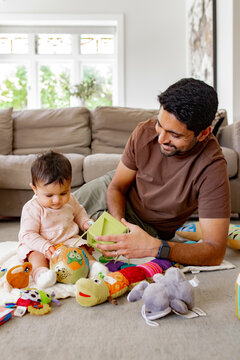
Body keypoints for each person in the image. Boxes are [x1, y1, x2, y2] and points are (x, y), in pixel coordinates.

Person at [74, 78, 230, 266]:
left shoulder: (211, 168)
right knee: (46, 215)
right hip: (110, 193)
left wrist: (155, 247)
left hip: (149, 229)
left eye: (175, 134)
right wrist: (119, 226)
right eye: (160, 125)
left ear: (203, 133)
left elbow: (215, 251)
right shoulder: (145, 131)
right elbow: (116, 186)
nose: (161, 138)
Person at [17, 151, 106, 289]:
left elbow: (79, 213)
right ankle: (41, 274)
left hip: (67, 240)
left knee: (82, 250)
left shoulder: (71, 200)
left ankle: (94, 267)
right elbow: (27, 234)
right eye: (49, 195)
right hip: (41, 245)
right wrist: (45, 247)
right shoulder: (32, 208)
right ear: (35, 189)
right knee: (35, 257)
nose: (57, 200)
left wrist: (85, 223)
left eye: (63, 193)